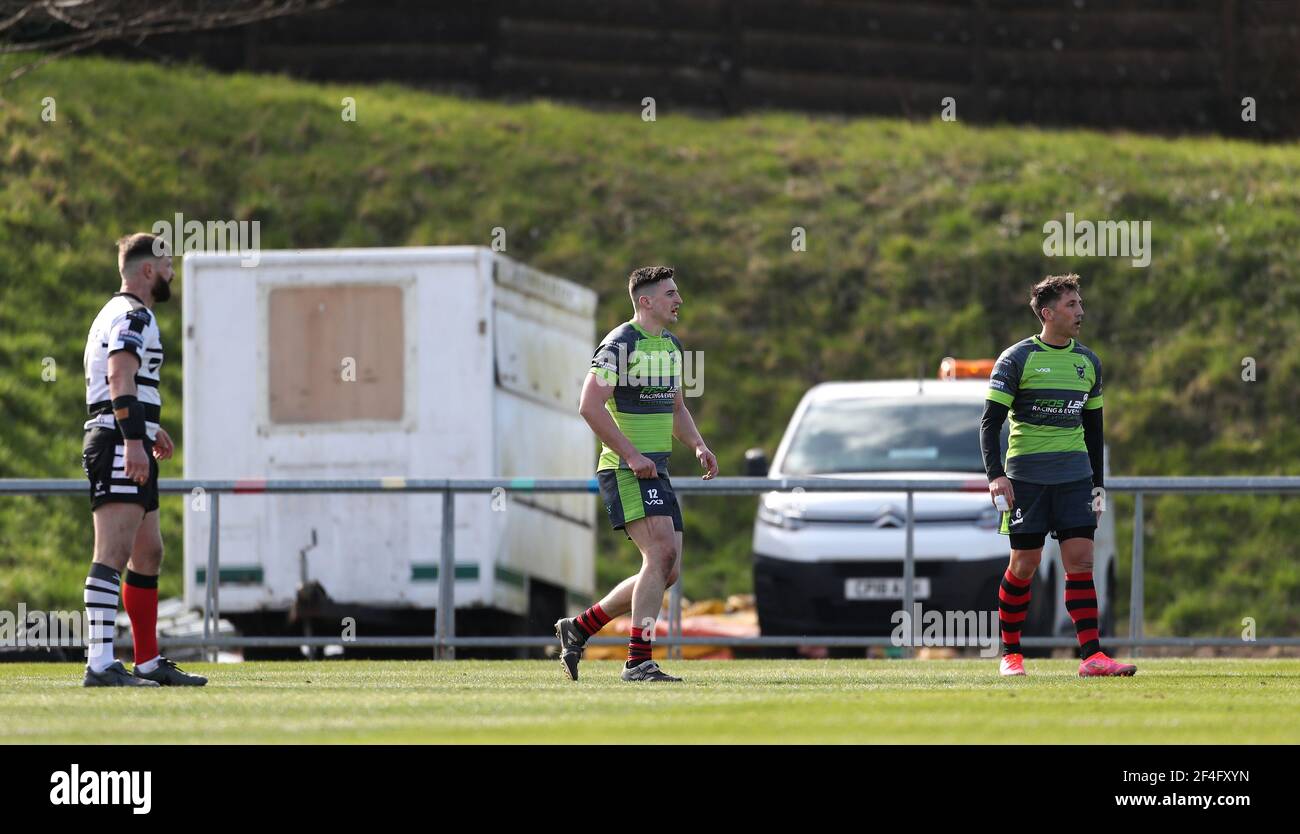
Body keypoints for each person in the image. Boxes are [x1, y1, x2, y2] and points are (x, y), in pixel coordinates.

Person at [556, 266, 717, 682]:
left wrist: (698, 444)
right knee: (660, 556)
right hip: (625, 468)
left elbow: (676, 408)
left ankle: (580, 627)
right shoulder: (620, 343)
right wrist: (629, 455)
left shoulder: (671, 347)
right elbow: (589, 405)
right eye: (670, 294)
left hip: (654, 469)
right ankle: (638, 661)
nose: (678, 300)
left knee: (668, 568)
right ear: (645, 301)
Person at [981, 274, 1135, 677]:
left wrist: (1097, 487)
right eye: (1071, 305)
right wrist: (996, 475)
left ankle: (1092, 657)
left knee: (1081, 562)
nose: (1080, 311)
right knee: (1025, 564)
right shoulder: (1015, 359)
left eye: (1080, 303)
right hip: (1027, 480)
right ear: (1048, 314)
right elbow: (989, 424)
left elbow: (1094, 431)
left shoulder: (1088, 362)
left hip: (1074, 479)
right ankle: (1011, 654)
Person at [80, 233, 207, 686]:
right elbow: (119, 374)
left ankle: (148, 661)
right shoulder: (133, 314)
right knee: (111, 553)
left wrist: (149, 429)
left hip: (127, 434)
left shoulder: (121, 312)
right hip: (117, 440)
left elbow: (124, 381)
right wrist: (134, 439)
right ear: (148, 270)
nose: (173, 272)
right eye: (168, 264)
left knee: (148, 552)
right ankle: (99, 664)